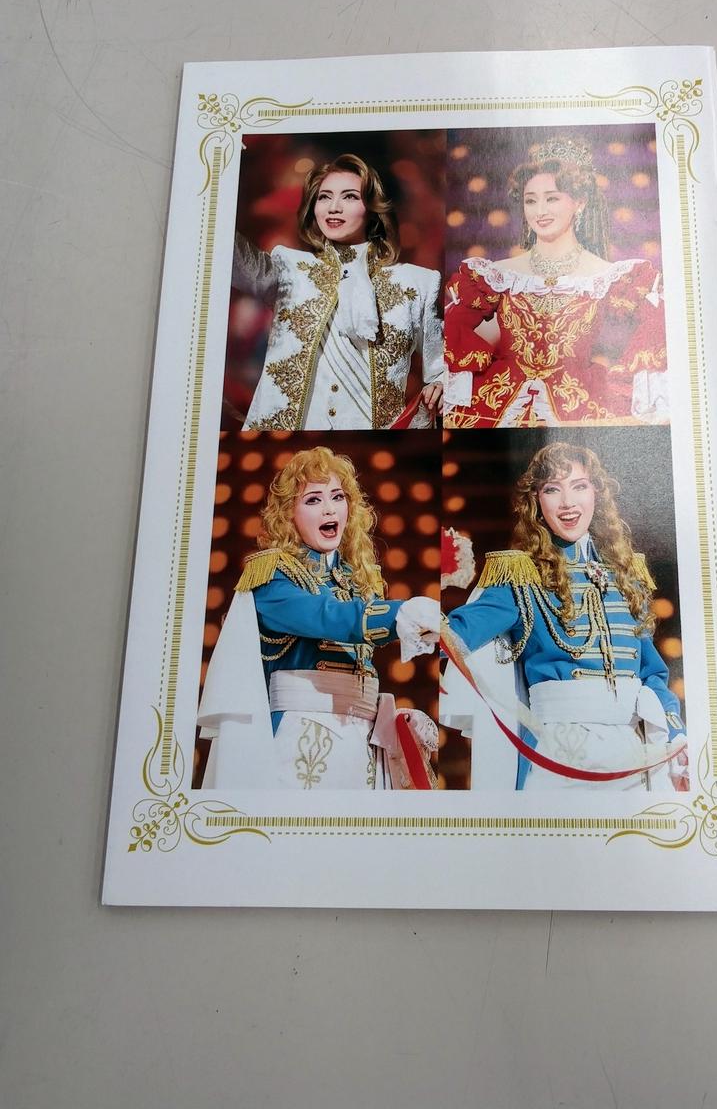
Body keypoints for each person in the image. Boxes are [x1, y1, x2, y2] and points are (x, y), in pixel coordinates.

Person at [440, 442, 686, 791]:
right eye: (552, 489)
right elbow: (451, 637)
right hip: (560, 756)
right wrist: (429, 599)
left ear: (596, 493)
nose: (568, 502)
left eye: (579, 486)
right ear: (536, 501)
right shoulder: (519, 576)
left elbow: (652, 674)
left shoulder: (627, 575)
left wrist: (676, 733)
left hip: (634, 754)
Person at [198, 447, 440, 790]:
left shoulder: (355, 578)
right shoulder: (271, 576)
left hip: (362, 741)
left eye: (337, 497)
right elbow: (325, 616)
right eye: (313, 500)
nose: (329, 508)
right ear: (289, 514)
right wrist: (399, 613)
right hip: (300, 736)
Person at [443, 137, 668, 428]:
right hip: (495, 400)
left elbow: (659, 322)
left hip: (579, 401)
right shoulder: (497, 275)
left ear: (579, 203)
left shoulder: (608, 276)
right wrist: (457, 374)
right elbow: (452, 326)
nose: (540, 211)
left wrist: (625, 381)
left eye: (552, 198)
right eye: (530, 200)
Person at [234, 153, 443, 430]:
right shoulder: (289, 267)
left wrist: (440, 385)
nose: (333, 207)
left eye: (349, 197)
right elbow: (231, 255)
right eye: (324, 197)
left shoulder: (416, 283)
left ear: (373, 208)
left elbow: (442, 366)